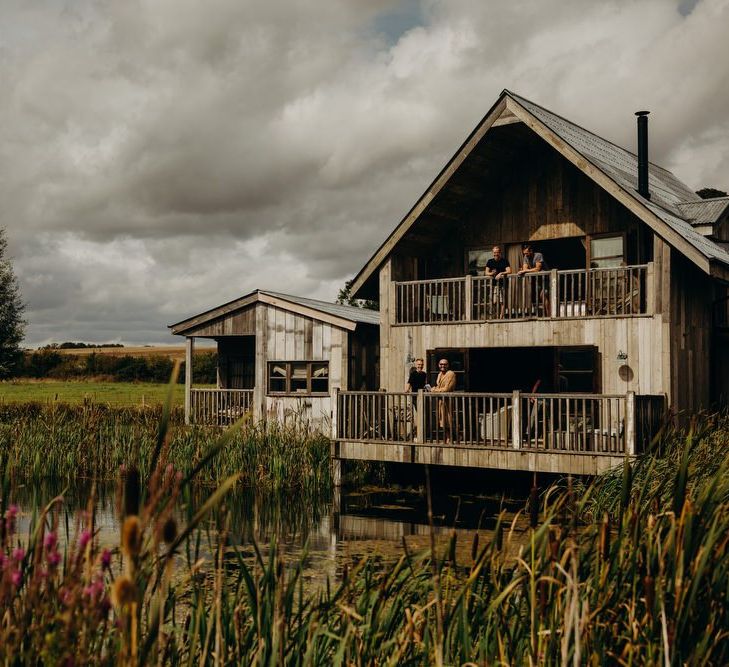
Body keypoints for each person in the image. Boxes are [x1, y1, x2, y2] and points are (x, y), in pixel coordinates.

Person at [517, 244, 550, 316]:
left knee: (543, 295)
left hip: (546, 278)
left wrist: (525, 271)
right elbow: (525, 268)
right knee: (540, 296)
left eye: (527, 253)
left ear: (531, 251)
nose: (526, 255)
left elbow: (537, 269)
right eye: (524, 253)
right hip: (538, 279)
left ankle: (549, 315)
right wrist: (525, 270)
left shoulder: (538, 255)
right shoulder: (526, 257)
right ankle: (545, 314)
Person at [431, 358, 457, 443]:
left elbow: (447, 388)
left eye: (445, 364)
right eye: (441, 364)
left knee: (449, 419)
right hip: (440, 401)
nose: (443, 366)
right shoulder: (439, 374)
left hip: (448, 400)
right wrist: (434, 388)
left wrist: (434, 390)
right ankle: (447, 437)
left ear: (448, 365)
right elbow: (439, 387)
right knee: (442, 420)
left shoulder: (450, 374)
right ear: (438, 365)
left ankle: (454, 437)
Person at [485, 245, 511, 318]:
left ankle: (501, 316)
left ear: (500, 253)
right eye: (494, 252)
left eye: (497, 252)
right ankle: (496, 315)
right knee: (494, 301)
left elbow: (509, 271)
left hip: (502, 284)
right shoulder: (490, 261)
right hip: (493, 284)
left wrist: (501, 273)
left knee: (502, 301)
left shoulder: (504, 261)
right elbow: (486, 272)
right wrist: (492, 273)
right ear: (492, 253)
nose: (496, 254)